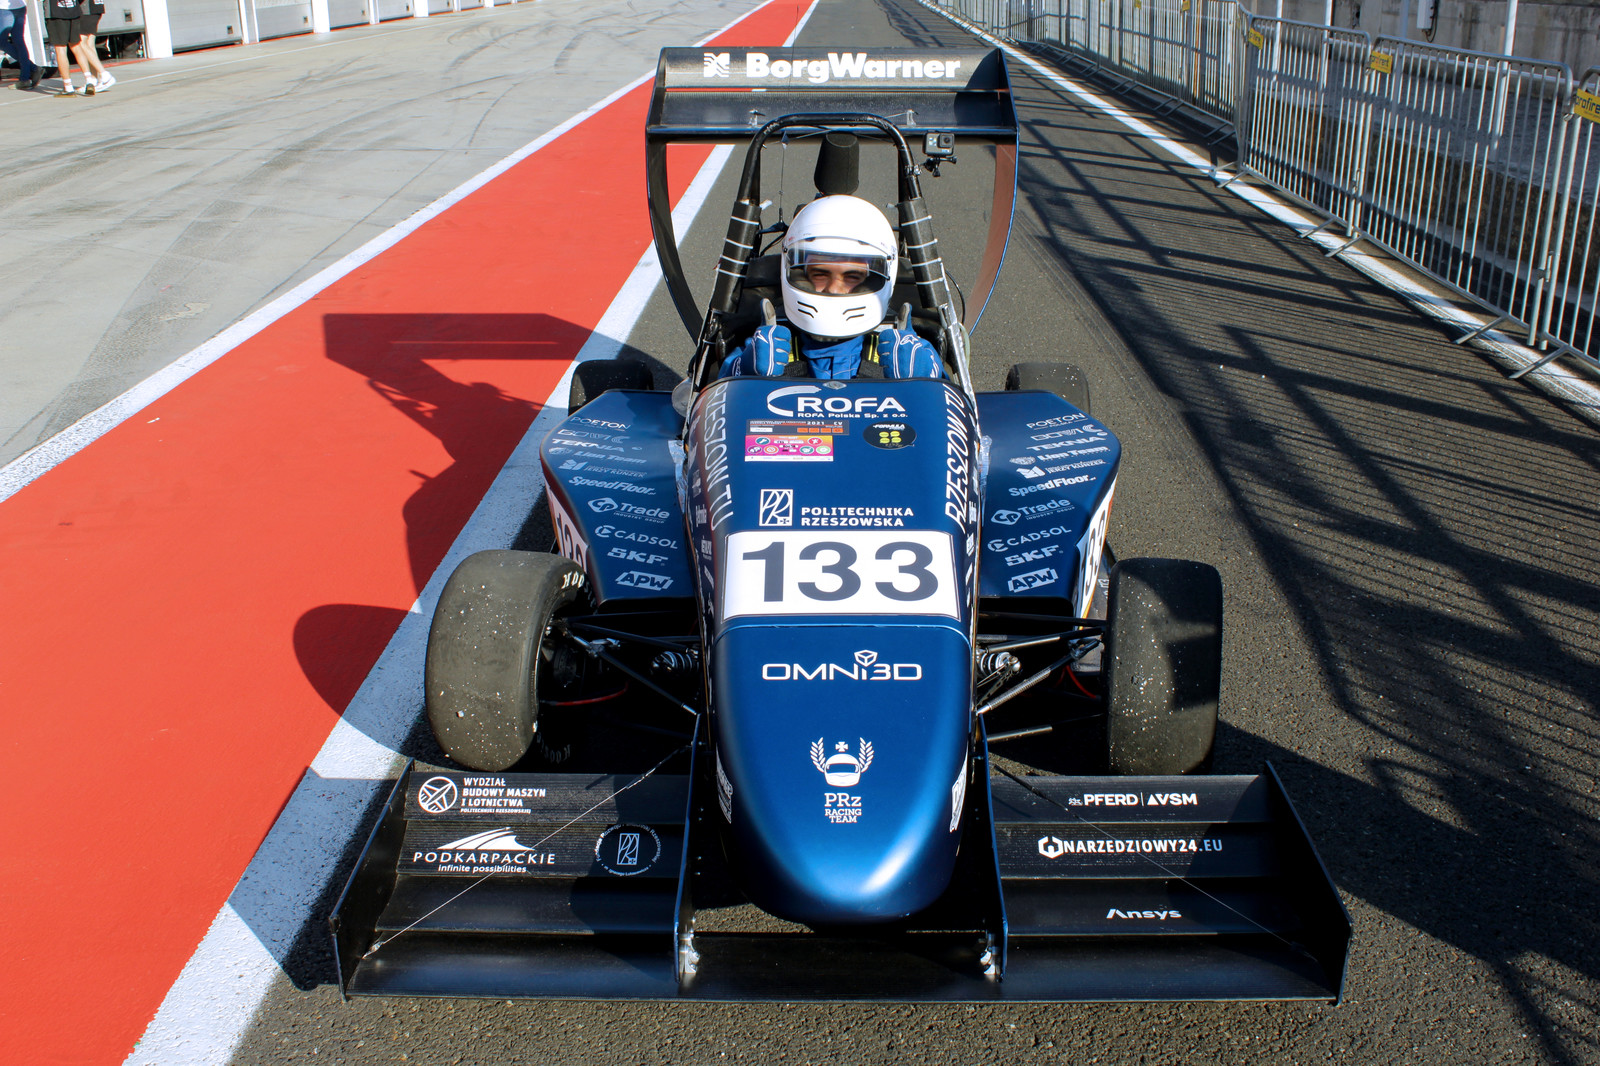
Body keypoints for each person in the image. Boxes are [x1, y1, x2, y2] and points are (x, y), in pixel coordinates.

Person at [719, 194, 943, 381]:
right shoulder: (768, 344)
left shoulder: (907, 350)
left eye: (852, 276)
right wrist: (746, 370)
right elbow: (718, 395)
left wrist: (921, 380)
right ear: (800, 274)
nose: (834, 289)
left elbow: (947, 407)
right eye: (820, 273)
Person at [70, 0, 110, 93]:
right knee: (89, 45)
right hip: (95, 7)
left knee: (81, 42)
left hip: (87, 9)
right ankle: (94, 79)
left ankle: (104, 74)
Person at [1, 0, 41, 89]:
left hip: (5, 8)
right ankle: (25, 77)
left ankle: (32, 69)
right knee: (18, 41)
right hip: (20, 6)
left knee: (2, 42)